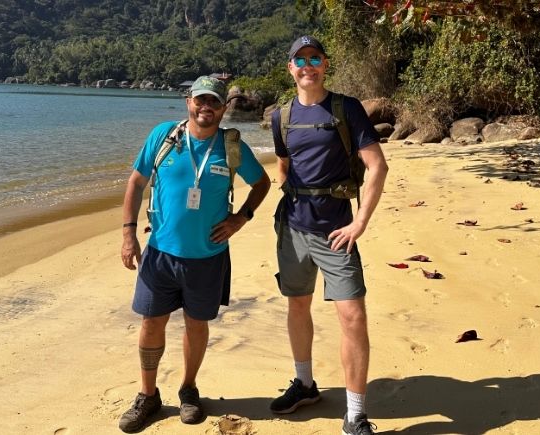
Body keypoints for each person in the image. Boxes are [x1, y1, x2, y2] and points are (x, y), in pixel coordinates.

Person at [117, 75, 271, 433]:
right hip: (160, 253)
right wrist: (128, 234)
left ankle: (188, 390)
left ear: (224, 108)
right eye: (200, 100)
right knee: (151, 323)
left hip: (208, 256)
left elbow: (262, 182)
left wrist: (241, 218)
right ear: (189, 101)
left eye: (214, 101)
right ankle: (148, 395)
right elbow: (136, 182)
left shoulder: (231, 146)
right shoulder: (164, 136)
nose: (206, 107)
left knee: (196, 324)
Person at [269, 36, 388, 435]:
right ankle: (304, 384)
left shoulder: (346, 108)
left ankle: (355, 414)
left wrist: (360, 222)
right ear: (291, 68)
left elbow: (377, 166)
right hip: (293, 230)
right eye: (300, 60)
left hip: (337, 231)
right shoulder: (281, 117)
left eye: (315, 58)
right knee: (297, 305)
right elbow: (284, 165)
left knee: (353, 316)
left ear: (325, 64)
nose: (308, 66)